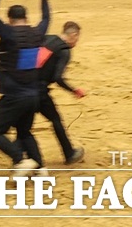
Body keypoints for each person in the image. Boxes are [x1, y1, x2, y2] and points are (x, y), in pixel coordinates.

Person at [0, 0, 50, 177]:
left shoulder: (8, 34)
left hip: (14, 95)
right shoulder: (37, 33)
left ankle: (22, 160)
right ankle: (40, 168)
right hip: (33, 96)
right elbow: (47, 19)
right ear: (26, 17)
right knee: (24, 132)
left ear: (10, 19)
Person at [37, 21, 86, 165]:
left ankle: (20, 158)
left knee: (22, 125)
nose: (76, 41)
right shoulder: (64, 51)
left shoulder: (48, 38)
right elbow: (57, 77)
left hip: (23, 86)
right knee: (55, 120)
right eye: (77, 38)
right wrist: (74, 90)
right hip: (39, 92)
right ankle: (69, 153)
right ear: (73, 35)